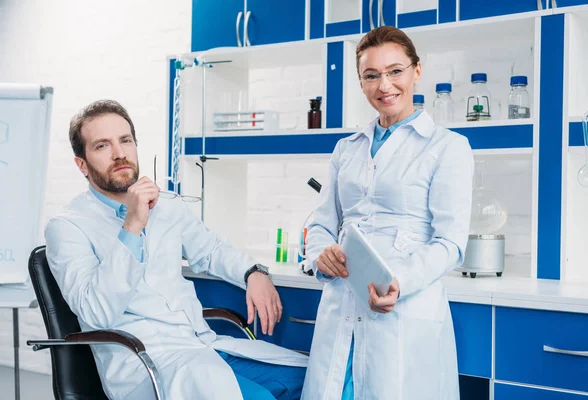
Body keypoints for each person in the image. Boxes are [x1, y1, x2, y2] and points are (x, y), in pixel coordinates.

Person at [45, 100, 307, 400]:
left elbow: (211, 250)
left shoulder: (167, 205)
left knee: (322, 381)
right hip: (149, 365)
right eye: (102, 146)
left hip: (203, 348)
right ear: (82, 165)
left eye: (125, 140)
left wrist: (253, 272)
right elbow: (97, 311)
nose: (120, 154)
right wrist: (132, 226)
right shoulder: (67, 227)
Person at [301, 26, 474, 400]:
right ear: (361, 83)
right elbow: (321, 222)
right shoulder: (346, 148)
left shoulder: (448, 148)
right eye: (372, 75)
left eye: (395, 71)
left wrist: (399, 282)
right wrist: (321, 253)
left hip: (403, 310)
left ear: (417, 71)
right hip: (342, 304)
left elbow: (450, 243)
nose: (385, 85)